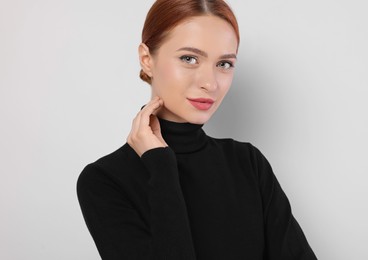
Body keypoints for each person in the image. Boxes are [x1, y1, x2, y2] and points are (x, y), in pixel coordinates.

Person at [77, 0, 317, 259]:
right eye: (189, 58)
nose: (210, 83)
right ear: (147, 59)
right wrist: (161, 166)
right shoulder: (105, 181)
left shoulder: (248, 163)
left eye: (224, 64)